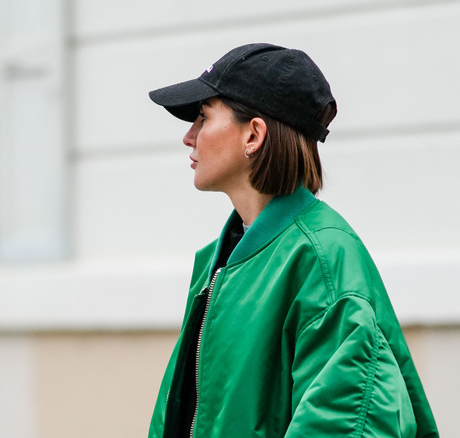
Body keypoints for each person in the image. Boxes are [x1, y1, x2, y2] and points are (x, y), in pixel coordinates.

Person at [147, 43, 439, 438]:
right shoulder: (221, 263)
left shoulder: (322, 260)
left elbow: (347, 425)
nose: (189, 136)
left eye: (203, 116)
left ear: (253, 135)